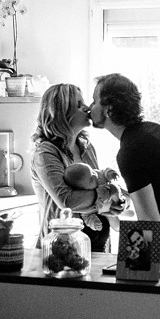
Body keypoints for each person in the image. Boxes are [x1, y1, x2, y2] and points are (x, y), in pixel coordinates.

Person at [88, 73, 160, 239]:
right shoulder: (156, 131)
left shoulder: (130, 151)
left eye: (94, 101)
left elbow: (150, 224)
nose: (90, 107)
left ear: (109, 109)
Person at [30, 83, 126, 252]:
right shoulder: (45, 153)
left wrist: (119, 202)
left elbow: (98, 185)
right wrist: (107, 194)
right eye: (79, 105)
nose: (87, 108)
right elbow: (67, 201)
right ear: (61, 113)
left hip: (98, 245)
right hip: (61, 248)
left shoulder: (87, 147)